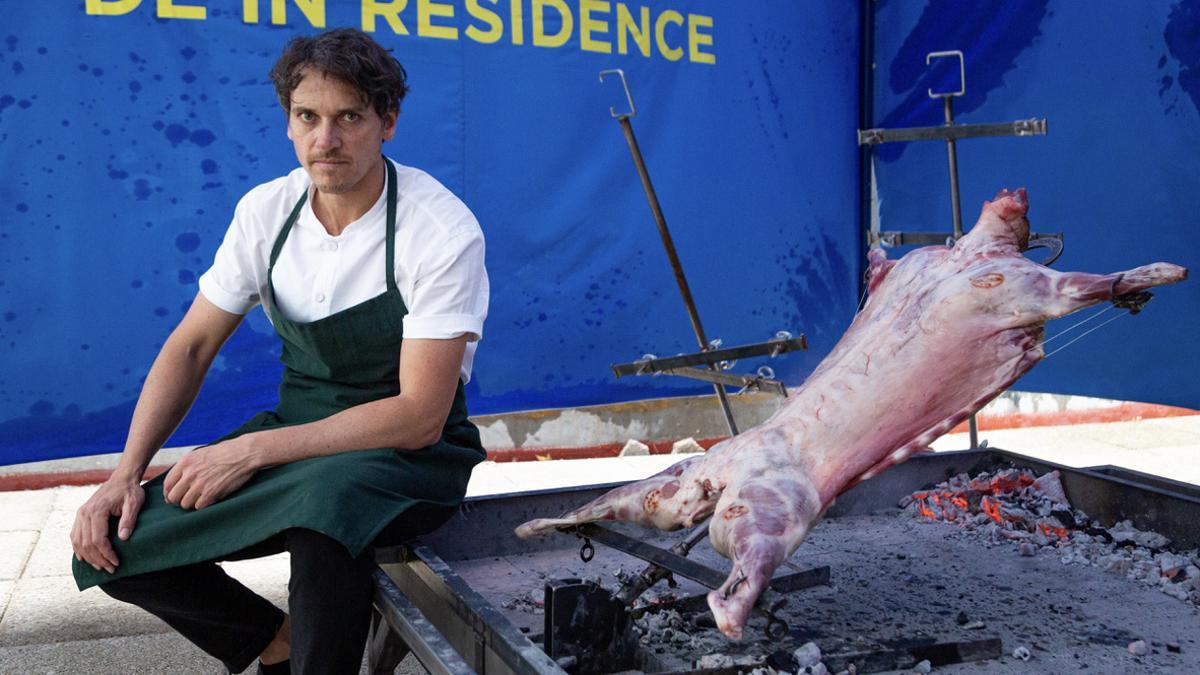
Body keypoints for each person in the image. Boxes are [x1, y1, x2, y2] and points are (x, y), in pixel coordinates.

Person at [69, 27, 489, 674]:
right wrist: (125, 473)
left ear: (388, 123)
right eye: (309, 117)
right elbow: (190, 346)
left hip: (414, 457)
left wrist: (253, 448)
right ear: (289, 125)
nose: (327, 140)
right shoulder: (266, 213)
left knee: (327, 517)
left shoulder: (439, 228)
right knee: (111, 544)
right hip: (300, 438)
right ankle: (276, 641)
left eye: (350, 116)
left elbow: (418, 415)